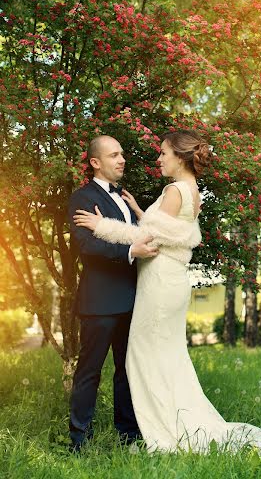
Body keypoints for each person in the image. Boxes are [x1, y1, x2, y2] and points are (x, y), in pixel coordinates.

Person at [73, 129, 261, 453]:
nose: (156, 158)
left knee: (142, 362)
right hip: (136, 291)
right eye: (115, 155)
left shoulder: (175, 190)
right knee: (148, 361)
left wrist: (103, 226)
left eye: (162, 153)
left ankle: (150, 430)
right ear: (95, 162)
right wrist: (137, 214)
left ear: (179, 156)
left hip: (154, 287)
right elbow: (160, 233)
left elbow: (150, 239)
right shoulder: (185, 191)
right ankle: (91, 439)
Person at [68, 135, 159, 452]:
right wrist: (130, 251)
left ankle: (129, 437)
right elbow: (87, 246)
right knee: (89, 372)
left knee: (127, 371)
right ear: (95, 162)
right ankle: (79, 442)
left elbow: (140, 234)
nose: (121, 160)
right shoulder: (81, 198)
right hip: (100, 301)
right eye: (114, 155)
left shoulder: (124, 197)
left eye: (122, 154)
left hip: (133, 299)